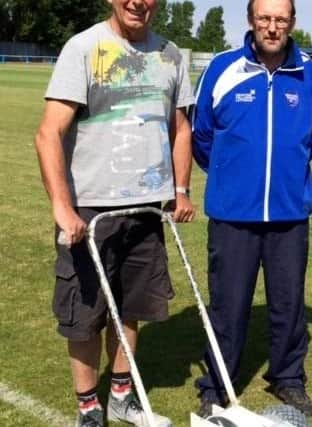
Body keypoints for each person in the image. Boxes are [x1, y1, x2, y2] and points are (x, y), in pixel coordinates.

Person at [34, 1, 194, 426]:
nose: (138, 2)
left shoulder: (172, 54)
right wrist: (62, 207)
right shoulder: (83, 47)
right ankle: (89, 406)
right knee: (84, 317)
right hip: (89, 210)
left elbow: (180, 128)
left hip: (146, 210)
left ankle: (122, 398)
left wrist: (180, 190)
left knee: (130, 308)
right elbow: (49, 132)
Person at [191, 0, 312, 418]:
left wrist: (283, 175)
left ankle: (287, 378)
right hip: (233, 213)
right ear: (251, 21)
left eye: (280, 19)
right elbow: (202, 135)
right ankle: (217, 383)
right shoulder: (223, 68)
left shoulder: (307, 72)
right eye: (264, 18)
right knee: (228, 304)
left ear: (292, 23)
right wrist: (236, 176)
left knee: (288, 302)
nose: (272, 27)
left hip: (289, 212)